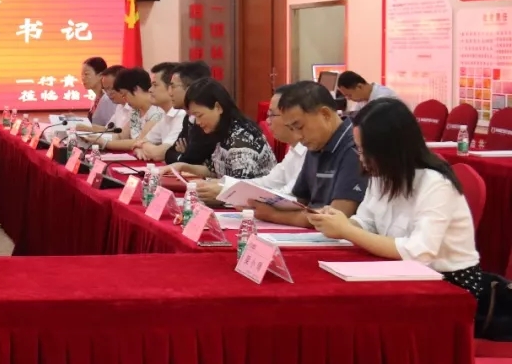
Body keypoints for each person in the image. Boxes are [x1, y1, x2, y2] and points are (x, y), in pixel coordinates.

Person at [308, 98, 483, 301]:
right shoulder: (381, 175)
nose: (361, 158)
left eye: (366, 151)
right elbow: (367, 222)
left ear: (391, 149)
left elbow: (419, 253)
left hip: (449, 284)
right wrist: (336, 222)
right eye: (359, 149)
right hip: (401, 272)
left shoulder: (435, 184)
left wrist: (347, 230)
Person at [253, 81, 366, 228]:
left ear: (325, 114)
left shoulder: (354, 147)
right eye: (291, 129)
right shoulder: (316, 143)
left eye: (299, 127)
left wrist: (273, 215)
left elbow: (337, 216)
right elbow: (300, 200)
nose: (298, 136)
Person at [196, 86, 306, 203]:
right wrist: (224, 184)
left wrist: (226, 191)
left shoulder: (309, 151)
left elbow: (289, 197)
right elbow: (267, 182)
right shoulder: (295, 150)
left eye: (272, 115)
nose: (267, 121)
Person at [165, 78, 275, 181]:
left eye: (200, 115)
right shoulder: (222, 130)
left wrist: (211, 187)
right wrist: (182, 166)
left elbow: (241, 187)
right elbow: (214, 170)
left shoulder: (240, 140)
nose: (197, 122)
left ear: (218, 107)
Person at [95, 68, 163, 152]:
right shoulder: (135, 111)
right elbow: (121, 136)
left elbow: (139, 142)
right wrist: (95, 138)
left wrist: (104, 143)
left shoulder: (156, 111)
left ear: (136, 89)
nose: (125, 99)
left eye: (125, 95)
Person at [163, 61, 217, 165]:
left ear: (191, 88)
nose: (170, 93)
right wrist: (184, 156)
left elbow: (194, 159)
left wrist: (184, 155)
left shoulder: (207, 120)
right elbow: (169, 155)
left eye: (173, 87)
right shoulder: (188, 118)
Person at [134, 62, 186, 162]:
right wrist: (140, 147)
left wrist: (144, 147)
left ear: (170, 87)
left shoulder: (182, 115)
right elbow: (138, 143)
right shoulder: (166, 115)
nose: (150, 90)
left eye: (155, 85)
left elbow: (159, 154)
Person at [76, 65, 127, 133]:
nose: (108, 93)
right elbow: (107, 129)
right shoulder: (119, 106)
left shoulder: (134, 109)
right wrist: (80, 126)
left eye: (111, 88)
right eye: (106, 89)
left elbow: (121, 135)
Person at [81, 57, 112, 126]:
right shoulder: (97, 98)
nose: (83, 78)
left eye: (86, 74)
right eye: (82, 75)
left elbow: (110, 128)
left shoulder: (109, 99)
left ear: (100, 75)